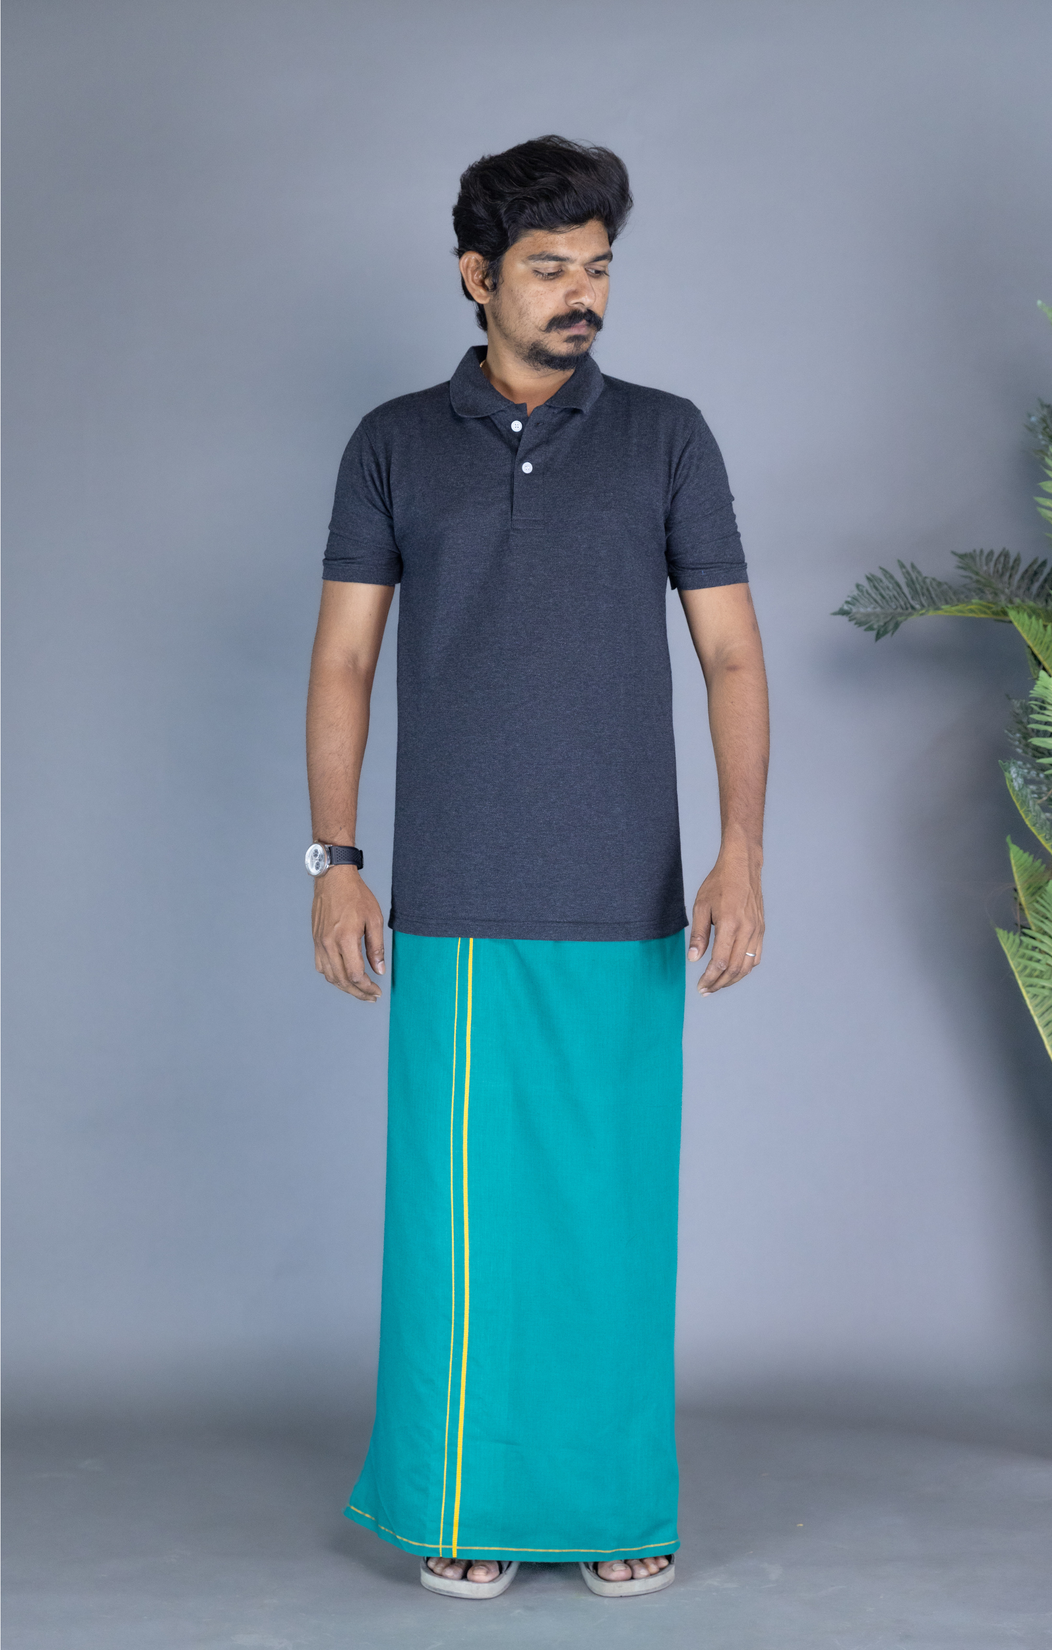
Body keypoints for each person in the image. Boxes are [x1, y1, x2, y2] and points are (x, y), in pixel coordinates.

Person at [305, 135, 768, 1601]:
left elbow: (733, 654)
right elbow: (344, 661)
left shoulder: (669, 437)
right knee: (461, 1227)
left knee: (611, 1219)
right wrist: (335, 858)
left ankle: (616, 1501)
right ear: (477, 276)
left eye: (599, 267)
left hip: (627, 896)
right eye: (550, 267)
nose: (583, 294)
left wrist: (742, 852)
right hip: (452, 898)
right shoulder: (392, 443)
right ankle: (463, 1501)